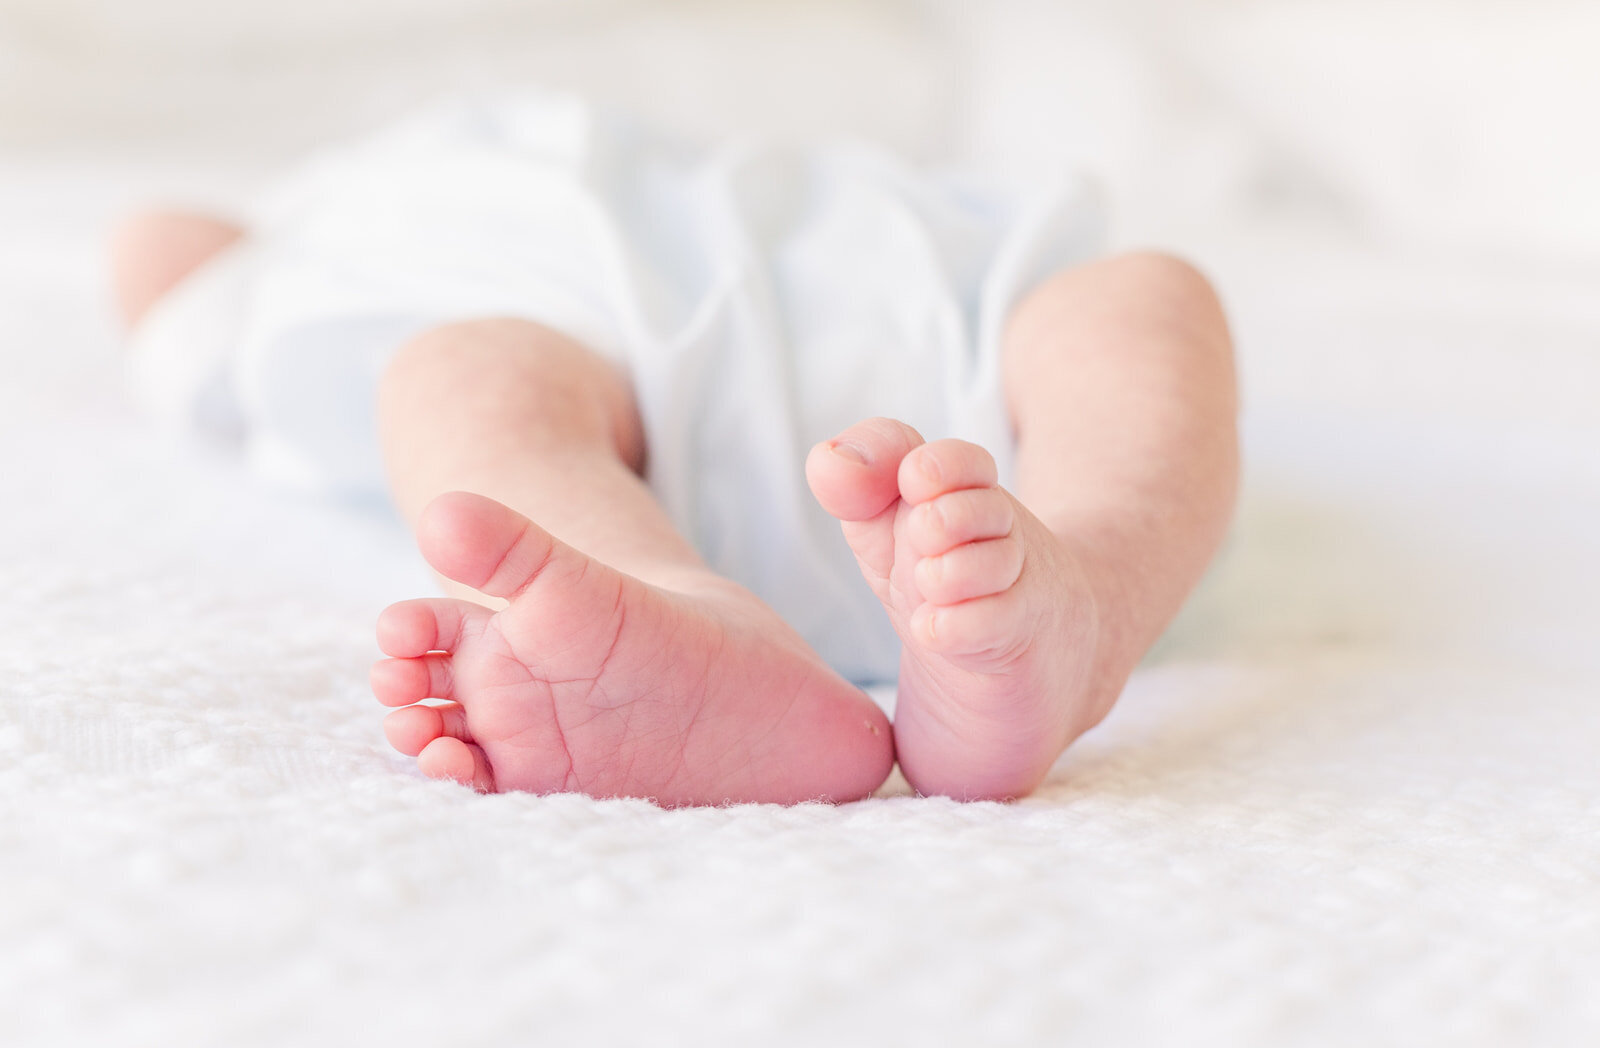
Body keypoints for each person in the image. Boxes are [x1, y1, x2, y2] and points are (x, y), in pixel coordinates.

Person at [112, 93, 1237, 806]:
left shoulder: (388, 198)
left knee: (1137, 298)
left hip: (920, 338)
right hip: (635, 359)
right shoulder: (324, 231)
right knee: (462, 378)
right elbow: (157, 247)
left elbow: (155, 251)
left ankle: (1079, 590)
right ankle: (666, 610)